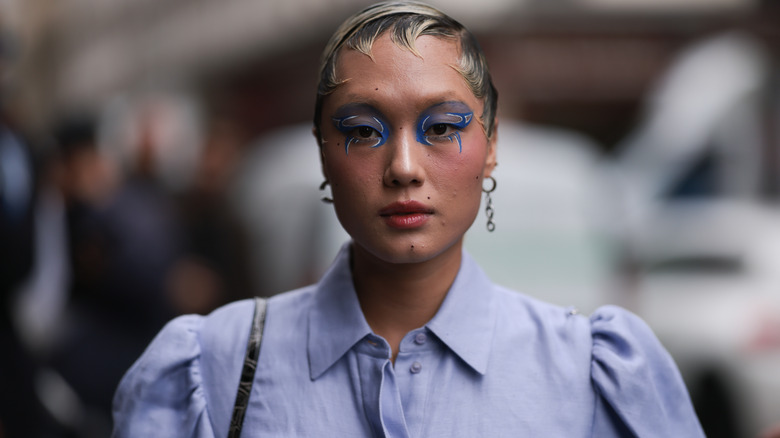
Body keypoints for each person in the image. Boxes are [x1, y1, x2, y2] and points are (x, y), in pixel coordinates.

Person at [112, 2, 705, 436]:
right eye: (363, 131)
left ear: (492, 144)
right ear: (323, 151)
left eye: (443, 128)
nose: (403, 167)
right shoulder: (213, 365)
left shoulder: (591, 370)